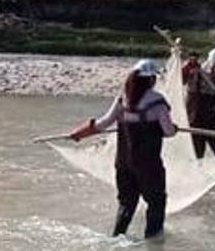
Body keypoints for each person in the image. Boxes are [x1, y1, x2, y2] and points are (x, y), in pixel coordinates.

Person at [70, 59, 177, 239]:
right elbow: (168, 132)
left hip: (124, 163)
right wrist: (175, 128)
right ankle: (153, 243)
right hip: (148, 164)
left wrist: (79, 133)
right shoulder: (157, 101)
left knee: (126, 203)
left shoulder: (123, 98)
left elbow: (102, 124)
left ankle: (117, 237)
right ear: (151, 79)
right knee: (157, 202)